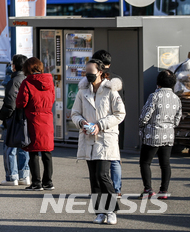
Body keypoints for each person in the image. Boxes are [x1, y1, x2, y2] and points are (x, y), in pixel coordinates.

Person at [71, 59, 125, 225]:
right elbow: (74, 113)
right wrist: (81, 123)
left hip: (105, 138)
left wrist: (100, 125)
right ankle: (100, 212)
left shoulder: (110, 91)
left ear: (100, 72)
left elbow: (120, 113)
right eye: (85, 71)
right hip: (88, 138)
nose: (87, 74)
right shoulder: (82, 91)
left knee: (103, 175)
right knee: (94, 177)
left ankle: (112, 210)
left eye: (90, 71)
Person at [138, 70, 182, 200]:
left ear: (158, 82)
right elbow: (177, 119)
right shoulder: (176, 98)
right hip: (168, 134)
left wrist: (142, 124)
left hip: (153, 134)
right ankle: (164, 190)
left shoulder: (154, 96)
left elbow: (145, 115)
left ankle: (148, 189)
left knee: (145, 162)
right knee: (165, 163)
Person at [15, 57, 55, 190]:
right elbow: (52, 99)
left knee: (33, 153)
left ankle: (37, 182)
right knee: (47, 152)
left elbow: (21, 102)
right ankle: (48, 182)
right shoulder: (50, 81)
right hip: (47, 118)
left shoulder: (27, 82)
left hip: (32, 119)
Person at [92, 50, 123, 196]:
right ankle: (116, 189)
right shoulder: (117, 78)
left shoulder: (95, 80)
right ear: (109, 64)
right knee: (114, 158)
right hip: (113, 123)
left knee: (100, 160)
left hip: (97, 124)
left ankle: (105, 189)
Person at [0, 54, 31, 186]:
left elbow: (10, 102)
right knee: (24, 147)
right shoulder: (28, 80)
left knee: (10, 148)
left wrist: (3, 116)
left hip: (13, 119)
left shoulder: (13, 81)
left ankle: (12, 177)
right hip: (25, 118)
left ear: (14, 66)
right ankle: (24, 176)